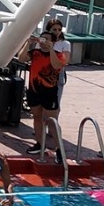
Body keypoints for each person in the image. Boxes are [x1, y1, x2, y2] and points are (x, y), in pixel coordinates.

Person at [23, 18, 71, 155]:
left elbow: (58, 65)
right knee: (37, 116)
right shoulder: (36, 52)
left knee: (52, 119)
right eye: (42, 39)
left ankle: (59, 148)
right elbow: (21, 58)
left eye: (59, 30)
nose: (44, 42)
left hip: (50, 88)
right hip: (35, 88)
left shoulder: (59, 52)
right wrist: (28, 43)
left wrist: (51, 49)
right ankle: (39, 143)